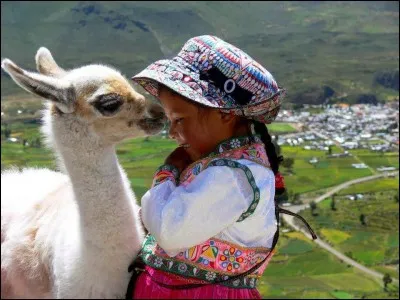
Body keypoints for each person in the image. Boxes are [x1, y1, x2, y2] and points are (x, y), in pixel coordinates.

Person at [127, 35, 316, 299]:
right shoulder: (227, 166)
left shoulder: (233, 176)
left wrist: (167, 173)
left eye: (179, 120)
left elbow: (169, 231)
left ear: (225, 114)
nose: (172, 132)